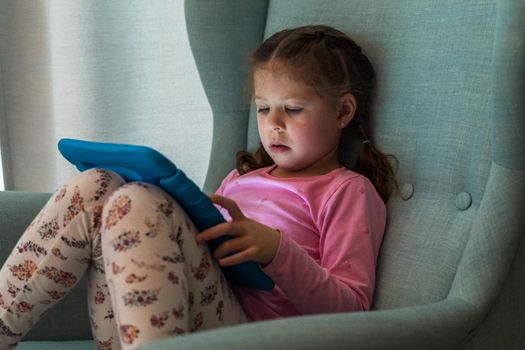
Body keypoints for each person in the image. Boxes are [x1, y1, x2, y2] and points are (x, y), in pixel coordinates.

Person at [0, 25, 397, 350]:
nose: (273, 122)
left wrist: (276, 250)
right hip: (167, 319)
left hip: (255, 336)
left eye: (292, 109)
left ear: (343, 111)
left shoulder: (347, 191)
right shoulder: (240, 180)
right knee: (97, 184)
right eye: (263, 108)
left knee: (137, 202)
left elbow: (353, 310)